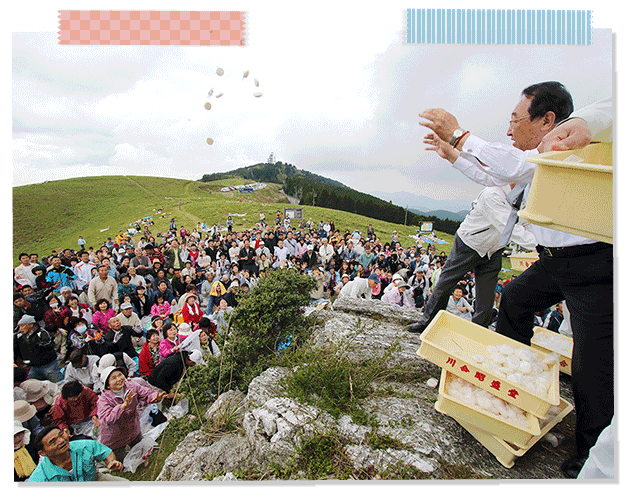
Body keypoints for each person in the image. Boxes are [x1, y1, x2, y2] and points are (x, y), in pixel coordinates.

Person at [420, 85, 612, 478]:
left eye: (515, 119)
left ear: (548, 121)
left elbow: (507, 166)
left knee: (593, 361)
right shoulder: (538, 157)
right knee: (515, 301)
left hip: (595, 266)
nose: (510, 129)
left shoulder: (572, 147)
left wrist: (460, 135)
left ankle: (589, 451)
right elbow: (499, 175)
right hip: (555, 261)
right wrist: (454, 154)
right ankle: (514, 381)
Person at [97, 366, 166, 461]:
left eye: (120, 375)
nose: (119, 379)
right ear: (108, 386)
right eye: (114, 378)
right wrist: (122, 406)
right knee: (121, 462)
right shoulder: (104, 400)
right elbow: (107, 419)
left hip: (132, 428)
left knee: (142, 453)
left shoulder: (131, 386)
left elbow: (146, 393)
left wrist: (154, 397)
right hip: (115, 436)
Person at [28, 425, 125, 481]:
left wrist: (111, 461)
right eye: (53, 442)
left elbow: (105, 452)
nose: (61, 441)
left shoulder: (84, 445)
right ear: (43, 453)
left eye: (61, 435)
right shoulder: (40, 476)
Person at [14, 315, 63, 383]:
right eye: (19, 327)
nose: (20, 329)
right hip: (34, 366)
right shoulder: (19, 336)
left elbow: (48, 346)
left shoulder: (42, 333)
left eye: (22, 326)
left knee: (59, 383)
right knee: (31, 384)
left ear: (31, 325)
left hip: (48, 365)